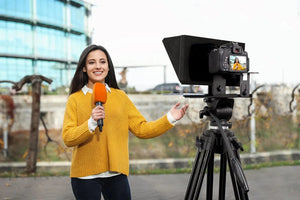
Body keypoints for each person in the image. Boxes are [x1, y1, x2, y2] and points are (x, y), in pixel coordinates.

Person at [62, 44, 189, 200]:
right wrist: (91, 123)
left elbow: (142, 130)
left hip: (116, 174)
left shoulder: (120, 96)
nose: (98, 66)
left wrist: (170, 117)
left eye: (102, 61)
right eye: (91, 62)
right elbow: (68, 138)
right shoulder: (75, 99)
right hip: (85, 177)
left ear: (108, 67)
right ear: (84, 68)